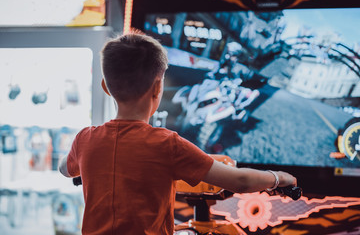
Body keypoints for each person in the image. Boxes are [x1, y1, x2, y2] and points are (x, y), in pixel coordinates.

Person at [59, 31, 297, 235]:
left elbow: (64, 168)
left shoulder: (85, 139)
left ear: (105, 87)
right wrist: (280, 177)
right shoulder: (167, 144)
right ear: (157, 87)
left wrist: (80, 160)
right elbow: (240, 181)